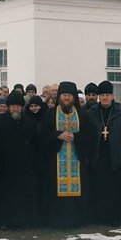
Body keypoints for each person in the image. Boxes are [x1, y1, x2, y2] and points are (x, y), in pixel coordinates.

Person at [39, 81, 96, 227]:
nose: (66, 98)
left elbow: (91, 136)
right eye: (64, 95)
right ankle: (57, 221)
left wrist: (76, 137)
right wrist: (58, 135)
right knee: (55, 190)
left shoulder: (82, 115)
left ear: (73, 97)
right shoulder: (50, 114)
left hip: (77, 161)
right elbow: (41, 135)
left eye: (69, 95)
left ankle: (77, 221)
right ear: (59, 97)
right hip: (55, 162)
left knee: (79, 191)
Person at [0, 91, 41, 228]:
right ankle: (5, 222)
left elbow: (36, 145)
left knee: (23, 197)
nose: (15, 109)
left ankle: (24, 221)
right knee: (6, 196)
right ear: (8, 107)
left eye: (18, 106)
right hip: (5, 167)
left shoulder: (30, 123)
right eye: (12, 106)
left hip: (25, 168)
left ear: (22, 108)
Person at [87, 81, 121, 224]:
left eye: (107, 95)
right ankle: (99, 217)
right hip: (98, 156)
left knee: (114, 189)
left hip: (116, 157)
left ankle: (114, 217)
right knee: (99, 187)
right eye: (102, 95)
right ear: (99, 97)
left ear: (112, 96)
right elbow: (86, 135)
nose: (105, 98)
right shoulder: (91, 113)